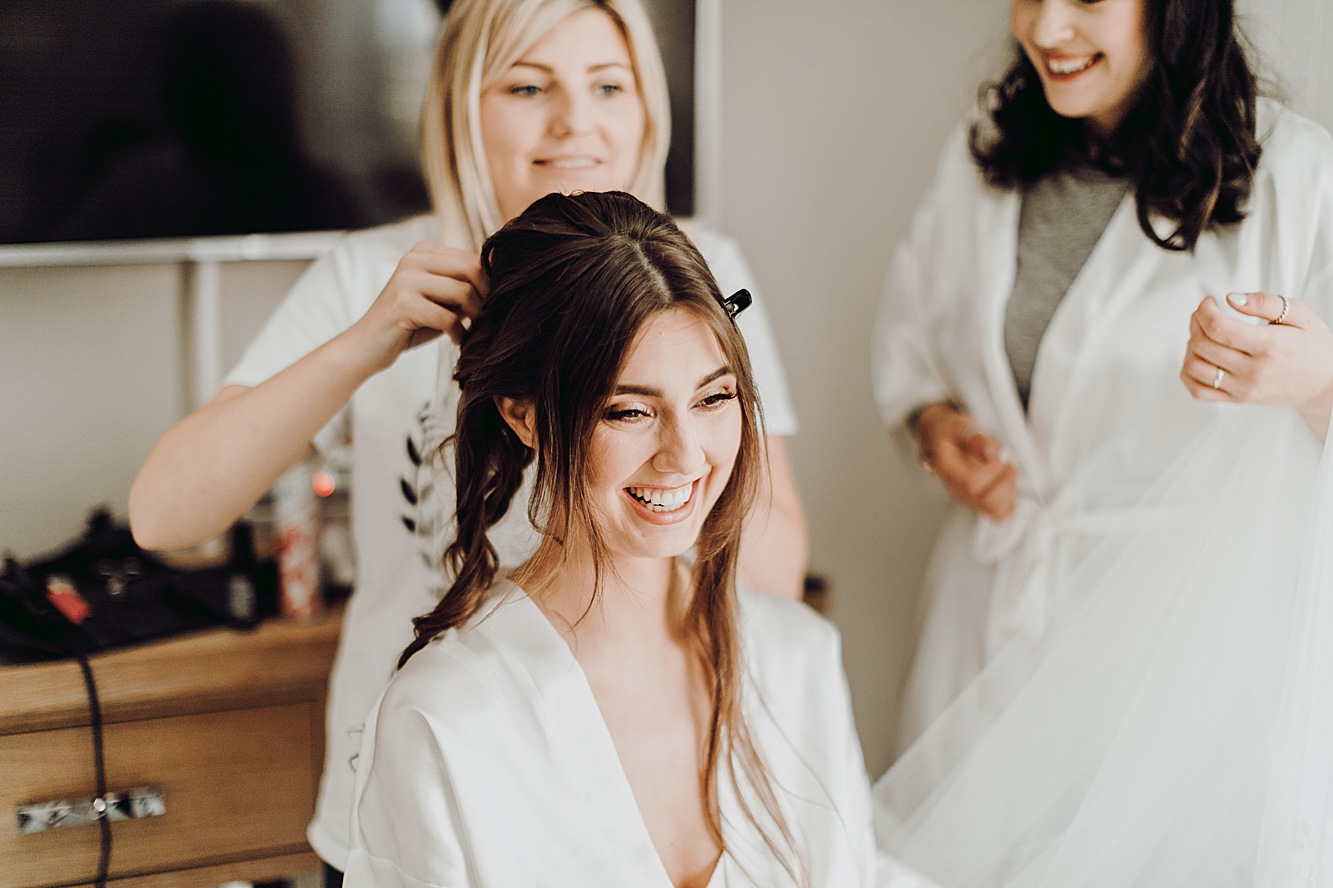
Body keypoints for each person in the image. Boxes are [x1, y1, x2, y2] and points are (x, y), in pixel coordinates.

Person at [127, 1, 806, 883]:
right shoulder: (376, 275)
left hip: (640, 789)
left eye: (608, 84)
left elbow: (775, 568)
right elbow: (164, 514)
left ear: (647, 108)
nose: (576, 121)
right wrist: (363, 345)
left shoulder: (698, 274)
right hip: (421, 788)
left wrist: (674, 382)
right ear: (459, 105)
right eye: (528, 85)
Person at [871, 0, 1333, 883]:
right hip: (985, 619)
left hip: (1171, 669)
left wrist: (1313, 382)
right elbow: (913, 341)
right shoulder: (986, 153)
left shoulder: (1293, 174)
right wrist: (937, 430)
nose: (1045, 29)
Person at [345, 189, 920, 888]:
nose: (684, 456)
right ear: (523, 414)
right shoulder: (445, 720)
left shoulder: (795, 659)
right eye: (628, 410)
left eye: (712, 399)